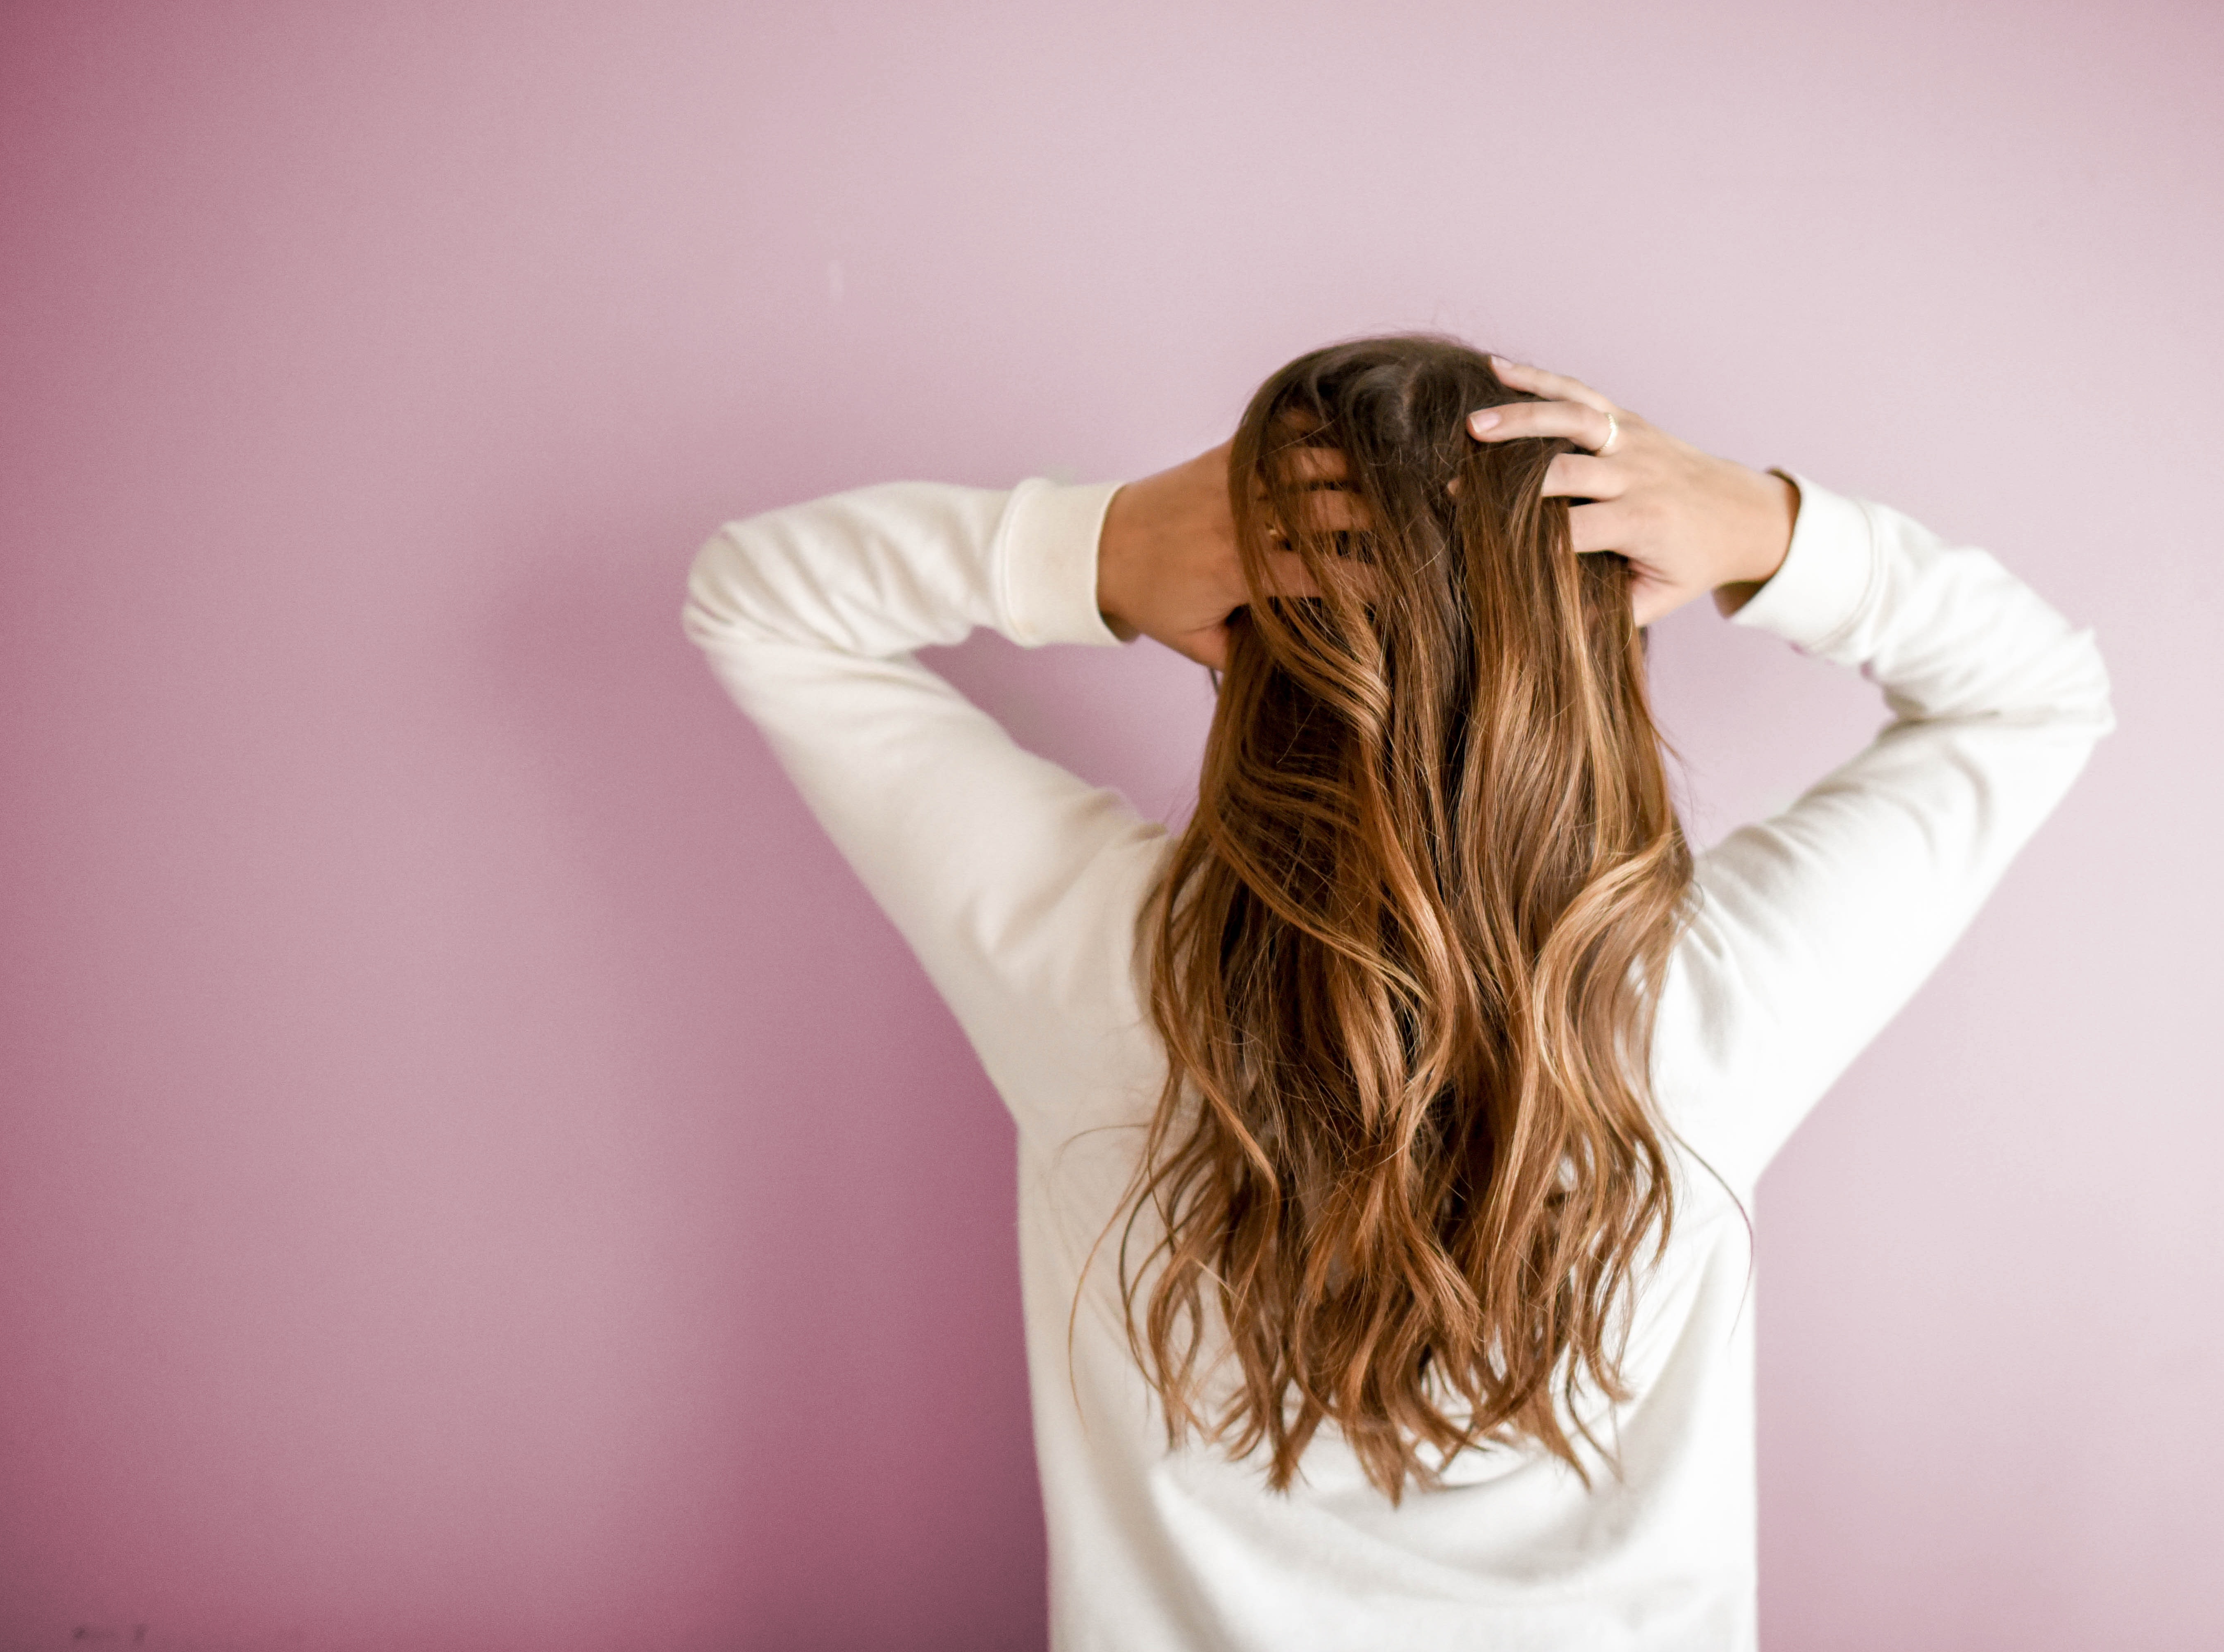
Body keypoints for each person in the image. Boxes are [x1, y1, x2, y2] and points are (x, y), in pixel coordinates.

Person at [682, 337, 2112, 1650]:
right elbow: (2037, 692)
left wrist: (1103, 547)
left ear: (1242, 634)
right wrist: (1761, 529)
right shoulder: (1700, 1009)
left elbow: (758, 601)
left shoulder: (1106, 972)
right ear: (1605, 654)